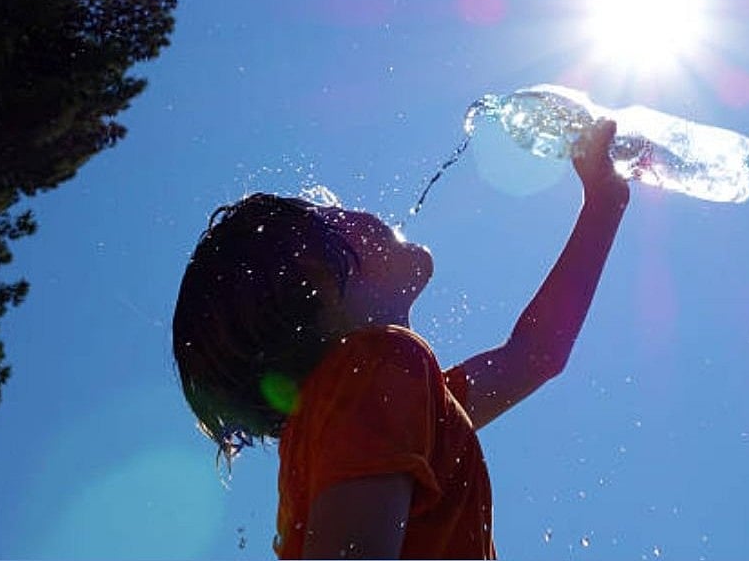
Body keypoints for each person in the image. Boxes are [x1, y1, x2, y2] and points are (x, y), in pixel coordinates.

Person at [172, 118, 629, 559]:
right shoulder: (375, 371)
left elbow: (535, 355)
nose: (361, 211)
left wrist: (604, 203)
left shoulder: (379, 403)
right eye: (334, 215)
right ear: (316, 279)